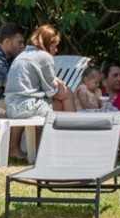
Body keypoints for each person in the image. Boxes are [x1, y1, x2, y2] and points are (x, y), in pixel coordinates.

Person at [4, 25, 76, 159]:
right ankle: (70, 140)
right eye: (55, 45)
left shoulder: (23, 54)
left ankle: (19, 148)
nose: (56, 49)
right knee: (64, 97)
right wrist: (64, 89)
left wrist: (54, 80)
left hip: (12, 106)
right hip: (27, 106)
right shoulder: (44, 57)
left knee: (46, 104)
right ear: (49, 42)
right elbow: (51, 90)